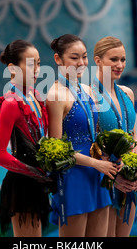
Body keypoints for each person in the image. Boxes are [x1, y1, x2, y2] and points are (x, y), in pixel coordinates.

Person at [46, 34, 117, 237]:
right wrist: (96, 164)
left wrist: (109, 155)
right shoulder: (55, 95)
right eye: (74, 58)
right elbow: (57, 149)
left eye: (84, 57)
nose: (81, 63)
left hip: (98, 173)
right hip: (74, 176)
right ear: (58, 59)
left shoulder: (87, 90)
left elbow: (95, 133)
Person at [0, 39, 51, 237]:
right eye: (30, 64)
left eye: (39, 63)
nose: (37, 70)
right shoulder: (10, 103)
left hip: (39, 181)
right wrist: (34, 172)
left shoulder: (34, 95)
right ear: (12, 68)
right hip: (22, 184)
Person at [92, 36, 137, 237]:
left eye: (123, 59)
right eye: (113, 59)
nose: (120, 65)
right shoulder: (89, 95)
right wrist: (113, 178)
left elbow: (134, 137)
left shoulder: (127, 93)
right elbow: (88, 143)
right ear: (97, 61)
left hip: (128, 180)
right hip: (102, 181)